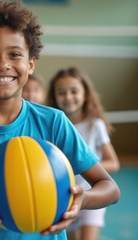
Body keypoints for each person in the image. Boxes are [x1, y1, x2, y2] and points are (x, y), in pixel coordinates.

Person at [0, 1, 120, 240]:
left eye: (14, 54)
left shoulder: (53, 122)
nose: (3, 64)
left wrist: (82, 199)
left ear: (31, 63)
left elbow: (110, 188)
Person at [46, 66, 121, 240]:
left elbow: (113, 163)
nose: (68, 97)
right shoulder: (54, 126)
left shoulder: (95, 125)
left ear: (85, 94)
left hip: (91, 194)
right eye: (62, 92)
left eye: (74, 91)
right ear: (54, 96)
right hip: (65, 196)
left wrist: (81, 166)